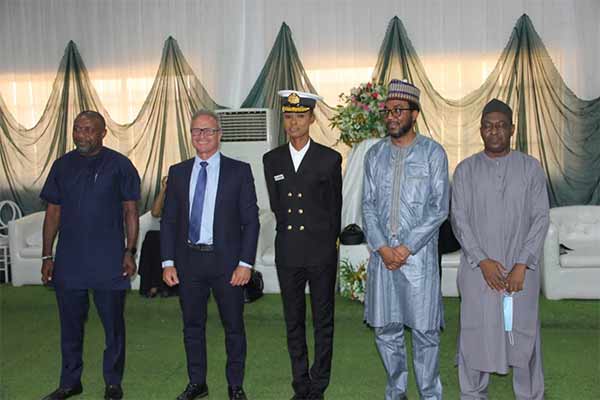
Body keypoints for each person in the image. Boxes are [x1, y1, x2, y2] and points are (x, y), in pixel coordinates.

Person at [451, 99, 549, 400]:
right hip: (479, 272)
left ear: (512, 129)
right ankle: (472, 393)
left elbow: (541, 217)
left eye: (501, 125)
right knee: (475, 330)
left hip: (521, 273)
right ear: (480, 130)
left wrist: (522, 263)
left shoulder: (531, 168)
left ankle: (530, 394)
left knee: (522, 331)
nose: (494, 131)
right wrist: (482, 261)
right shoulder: (466, 170)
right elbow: (459, 220)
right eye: (488, 126)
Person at [40, 110, 141, 400]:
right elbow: (53, 212)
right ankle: (70, 382)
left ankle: (112, 382)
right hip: (70, 261)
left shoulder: (120, 165)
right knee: (70, 327)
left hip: (109, 260)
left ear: (102, 133)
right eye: (76, 129)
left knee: (113, 327)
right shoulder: (61, 166)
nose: (81, 135)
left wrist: (130, 251)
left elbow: (130, 211)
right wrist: (47, 257)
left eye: (88, 130)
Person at [161, 110, 259, 400]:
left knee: (234, 327)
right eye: (196, 131)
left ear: (219, 134)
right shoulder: (178, 172)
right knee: (192, 326)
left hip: (227, 264)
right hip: (189, 263)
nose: (201, 136)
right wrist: (168, 261)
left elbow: (250, 221)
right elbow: (168, 220)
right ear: (190, 136)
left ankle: (235, 385)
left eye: (207, 130)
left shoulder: (239, 171)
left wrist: (245, 263)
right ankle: (197, 383)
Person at [362, 79, 449, 400]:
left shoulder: (432, 154)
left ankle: (430, 394)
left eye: (398, 110)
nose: (391, 116)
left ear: (415, 113)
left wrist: (405, 247)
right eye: (387, 111)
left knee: (425, 332)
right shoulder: (374, 155)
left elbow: (439, 208)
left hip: (419, 259)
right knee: (386, 330)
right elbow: (367, 205)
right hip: (383, 258)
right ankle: (396, 392)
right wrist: (384, 248)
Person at [263, 90, 342, 400]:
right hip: (290, 252)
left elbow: (334, 208)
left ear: (311, 119)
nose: (293, 122)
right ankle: (301, 384)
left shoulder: (329, 158)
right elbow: (277, 205)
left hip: (320, 251)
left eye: (299, 116)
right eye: (288, 116)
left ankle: (318, 384)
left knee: (323, 320)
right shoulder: (272, 159)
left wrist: (329, 245)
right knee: (293, 320)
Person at [138, 176, 178, 298]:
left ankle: (167, 287)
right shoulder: (165, 198)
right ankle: (154, 285)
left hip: (178, 236)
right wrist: (164, 189)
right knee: (153, 238)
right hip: (160, 236)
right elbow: (155, 213)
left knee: (163, 240)